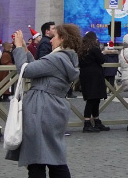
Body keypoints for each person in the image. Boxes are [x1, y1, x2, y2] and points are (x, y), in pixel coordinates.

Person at [9, 23, 81, 177]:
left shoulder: (56, 58)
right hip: (53, 107)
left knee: (37, 159)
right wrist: (27, 51)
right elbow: (38, 67)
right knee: (53, 155)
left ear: (62, 39)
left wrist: (19, 48)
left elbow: (26, 70)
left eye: (54, 36)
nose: (50, 40)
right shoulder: (66, 58)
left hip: (42, 108)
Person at [78, 31, 110, 132]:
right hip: (94, 75)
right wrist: (103, 53)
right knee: (93, 100)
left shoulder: (81, 49)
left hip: (85, 75)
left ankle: (96, 121)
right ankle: (87, 123)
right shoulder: (94, 49)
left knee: (93, 99)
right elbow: (102, 60)